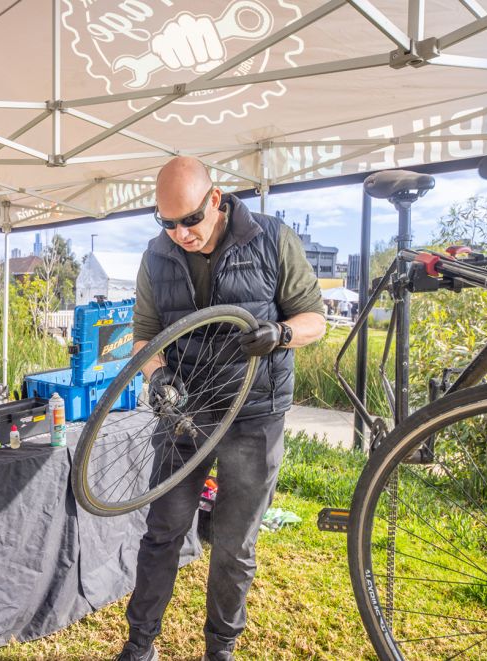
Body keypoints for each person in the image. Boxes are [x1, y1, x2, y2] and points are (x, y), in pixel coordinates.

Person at [118, 157, 326, 661]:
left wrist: (281, 334)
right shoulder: (155, 255)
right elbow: (144, 335)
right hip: (185, 413)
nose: (180, 233)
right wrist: (157, 373)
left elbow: (315, 319)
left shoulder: (271, 238)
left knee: (234, 546)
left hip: (254, 417)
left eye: (189, 219)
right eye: (166, 222)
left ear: (215, 199)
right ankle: (140, 645)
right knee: (163, 532)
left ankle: (221, 650)